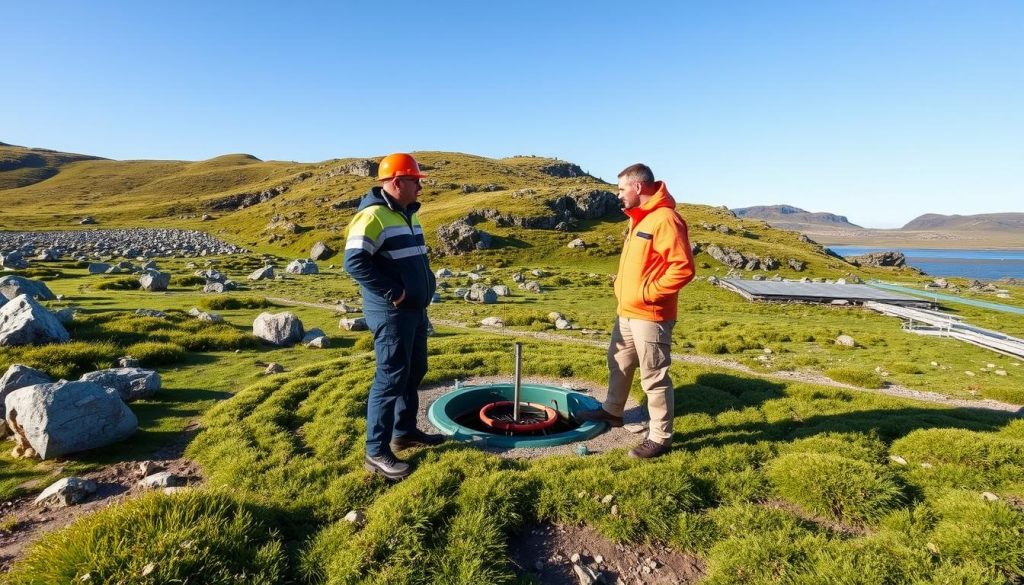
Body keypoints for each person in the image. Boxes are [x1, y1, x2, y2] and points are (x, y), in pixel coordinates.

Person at [576, 163, 695, 458]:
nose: (618, 195)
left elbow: (682, 268)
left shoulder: (665, 219)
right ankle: (613, 411)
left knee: (653, 376)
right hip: (626, 312)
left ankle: (660, 438)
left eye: (621, 189)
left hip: (650, 314)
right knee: (619, 362)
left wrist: (646, 294)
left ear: (638, 187)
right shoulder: (637, 219)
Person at [344, 152, 443, 480]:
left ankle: (404, 432)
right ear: (398, 181)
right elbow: (355, 262)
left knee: (415, 370)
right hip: (392, 312)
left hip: (415, 310)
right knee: (390, 378)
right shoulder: (372, 216)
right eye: (416, 181)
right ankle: (376, 452)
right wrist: (396, 293)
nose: (420, 188)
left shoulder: (408, 214)